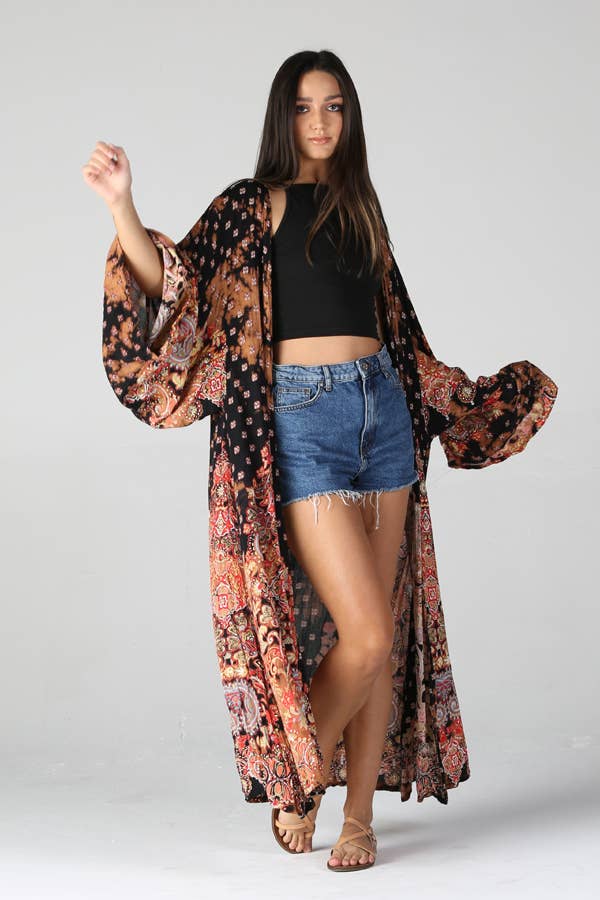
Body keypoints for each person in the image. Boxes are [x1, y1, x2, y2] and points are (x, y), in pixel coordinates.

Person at [83, 50, 558, 874]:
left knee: (381, 624)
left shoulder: (361, 206)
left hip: (384, 414)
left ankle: (359, 819)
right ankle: (299, 783)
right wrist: (124, 206)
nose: (320, 122)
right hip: (300, 420)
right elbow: (175, 286)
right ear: (284, 116)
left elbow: (398, 326)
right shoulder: (251, 204)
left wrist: (455, 399)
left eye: (334, 106)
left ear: (349, 115)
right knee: (363, 634)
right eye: (305, 107)